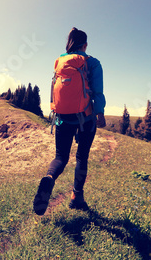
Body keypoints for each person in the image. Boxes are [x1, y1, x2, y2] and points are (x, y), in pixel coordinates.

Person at [33, 27, 106, 215]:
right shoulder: (93, 63)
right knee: (82, 157)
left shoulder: (59, 61)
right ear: (85, 44)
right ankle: (76, 197)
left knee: (60, 157)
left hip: (62, 117)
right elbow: (97, 92)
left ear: (69, 43)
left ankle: (49, 177)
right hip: (86, 118)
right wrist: (100, 114)